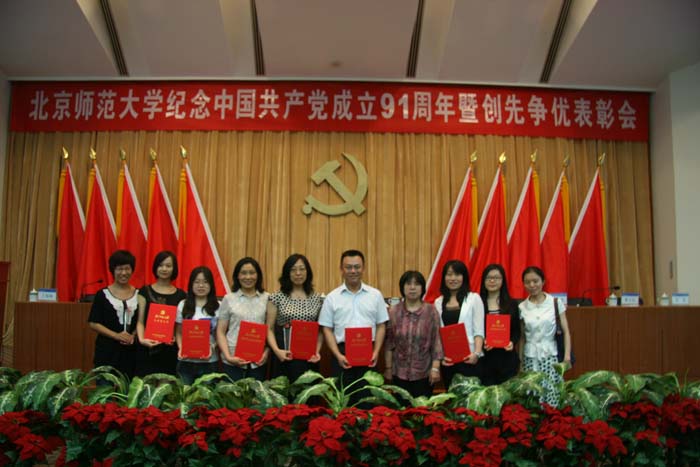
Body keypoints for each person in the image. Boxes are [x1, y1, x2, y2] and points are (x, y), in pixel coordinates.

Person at [318, 249, 388, 399]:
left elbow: (381, 325)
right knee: (344, 402)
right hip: (342, 356)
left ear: (363, 268)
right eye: (348, 267)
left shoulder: (375, 295)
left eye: (357, 267)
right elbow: (327, 329)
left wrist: (376, 352)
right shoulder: (332, 297)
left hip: (369, 354)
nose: (353, 271)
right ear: (341, 269)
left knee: (368, 401)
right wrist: (337, 355)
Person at [384, 270, 443, 398]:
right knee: (401, 408)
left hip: (424, 373)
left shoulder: (431, 311)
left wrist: (435, 368)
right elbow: (389, 343)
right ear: (402, 287)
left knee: (422, 409)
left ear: (422, 288)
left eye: (416, 284)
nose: (412, 287)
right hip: (399, 373)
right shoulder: (394, 312)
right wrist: (388, 368)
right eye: (408, 284)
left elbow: (436, 342)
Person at [266, 254, 324, 384]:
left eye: (302, 269)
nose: (298, 273)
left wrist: (317, 351)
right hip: (284, 354)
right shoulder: (276, 297)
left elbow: (320, 330)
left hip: (309, 357)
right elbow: (269, 328)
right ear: (287, 273)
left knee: (307, 393)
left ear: (308, 272)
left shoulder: (317, 298)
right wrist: (277, 351)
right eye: (293, 270)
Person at [519, 266, 572, 406]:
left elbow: (566, 331)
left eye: (535, 281)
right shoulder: (522, 307)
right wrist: (520, 361)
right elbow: (522, 337)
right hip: (530, 357)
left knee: (551, 394)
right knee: (532, 396)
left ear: (543, 281)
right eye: (527, 282)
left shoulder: (555, 303)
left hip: (550, 356)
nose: (532, 285)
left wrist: (567, 356)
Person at [88, 250, 140, 379]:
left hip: (132, 353)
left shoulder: (140, 294)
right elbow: (93, 322)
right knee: (105, 388)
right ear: (113, 270)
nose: (124, 273)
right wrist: (116, 336)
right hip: (107, 352)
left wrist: (133, 335)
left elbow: (142, 321)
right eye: (119, 269)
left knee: (130, 388)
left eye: (127, 268)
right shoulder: (102, 295)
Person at [434, 260, 484, 390]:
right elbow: (438, 334)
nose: (453, 278)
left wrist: (477, 353)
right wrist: (441, 357)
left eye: (457, 274)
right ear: (444, 277)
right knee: (451, 395)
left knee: (470, 397)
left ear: (464, 277)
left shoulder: (474, 298)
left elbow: (479, 330)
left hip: (470, 358)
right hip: (448, 360)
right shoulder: (438, 302)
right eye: (449, 274)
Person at [216, 257, 269, 381]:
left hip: (258, 361)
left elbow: (270, 330)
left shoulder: (267, 298)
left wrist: (267, 353)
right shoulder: (228, 299)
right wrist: (228, 356)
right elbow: (220, 331)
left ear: (258, 275)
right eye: (243, 273)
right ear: (237, 276)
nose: (248, 277)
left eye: (252, 273)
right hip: (233, 359)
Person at [135, 251, 186, 376]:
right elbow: (140, 321)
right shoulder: (144, 291)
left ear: (174, 269)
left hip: (170, 349)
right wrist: (142, 339)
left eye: (168, 266)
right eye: (161, 265)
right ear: (155, 267)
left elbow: (180, 324)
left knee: (167, 384)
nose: (164, 269)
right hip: (148, 347)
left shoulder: (181, 295)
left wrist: (174, 336)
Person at [174, 266, 220, 384]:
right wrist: (181, 348)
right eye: (197, 282)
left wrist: (212, 347)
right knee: (185, 394)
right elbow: (178, 332)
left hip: (209, 362)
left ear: (211, 285)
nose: (201, 285)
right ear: (191, 284)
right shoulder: (183, 304)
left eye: (205, 282)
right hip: (186, 362)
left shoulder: (218, 306)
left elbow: (220, 334)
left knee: (207, 394)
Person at [479, 263, 521, 386]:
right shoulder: (477, 303)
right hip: (485, 359)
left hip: (507, 359)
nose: (492, 281)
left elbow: (517, 331)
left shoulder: (512, 304)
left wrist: (512, 342)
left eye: (496, 278)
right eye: (489, 278)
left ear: (503, 281)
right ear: (484, 281)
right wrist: (482, 342)